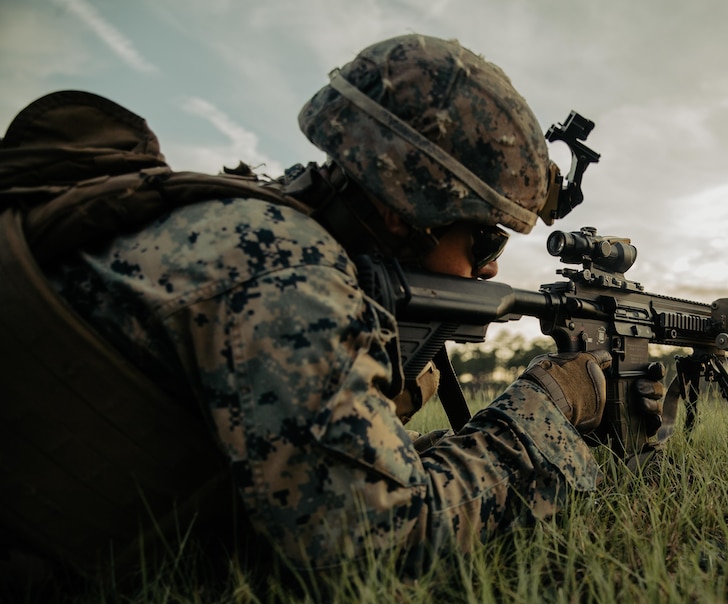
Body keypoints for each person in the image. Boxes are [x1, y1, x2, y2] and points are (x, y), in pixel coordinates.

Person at [11, 34, 661, 575]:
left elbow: (319, 459)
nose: (491, 266)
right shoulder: (289, 273)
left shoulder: (262, 224)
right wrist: (551, 406)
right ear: (403, 208)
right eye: (485, 235)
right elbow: (370, 539)